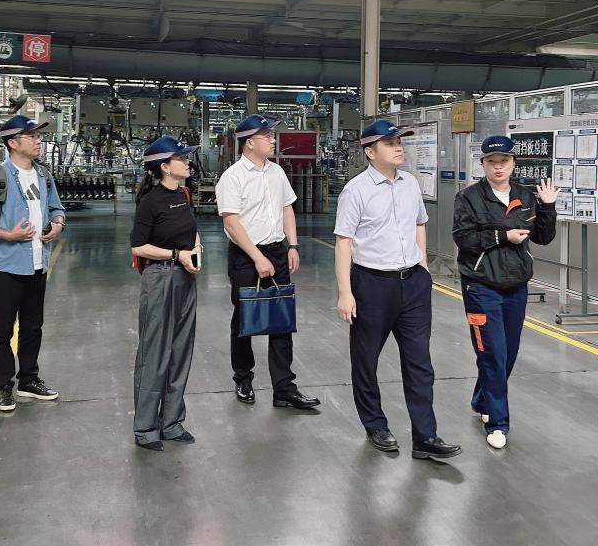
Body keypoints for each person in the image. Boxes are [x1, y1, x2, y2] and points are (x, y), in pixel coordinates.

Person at [334, 120, 461, 463]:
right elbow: (344, 242)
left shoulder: (410, 184)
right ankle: (375, 425)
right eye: (390, 143)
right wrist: (345, 292)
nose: (398, 147)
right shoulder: (356, 190)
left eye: (399, 141)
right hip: (372, 285)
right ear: (370, 152)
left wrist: (422, 265)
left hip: (413, 285)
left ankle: (425, 436)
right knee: (366, 360)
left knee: (420, 363)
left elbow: (419, 222)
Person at [452, 135, 557, 450]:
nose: (498, 167)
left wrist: (548, 206)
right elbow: (463, 238)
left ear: (513, 163)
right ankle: (498, 423)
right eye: (491, 162)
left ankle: (481, 399)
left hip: (516, 287)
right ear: (483, 164)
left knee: (507, 353)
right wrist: (502, 236)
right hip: (481, 285)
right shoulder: (468, 197)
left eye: (504, 161)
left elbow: (543, 237)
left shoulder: (525, 195)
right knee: (492, 354)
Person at [216, 114, 320, 410]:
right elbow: (231, 223)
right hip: (245, 255)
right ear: (250, 143)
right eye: (267, 136)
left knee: (281, 318)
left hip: (276, 251)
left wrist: (293, 245)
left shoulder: (277, 172)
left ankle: (284, 387)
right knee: (244, 317)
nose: (273, 140)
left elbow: (287, 209)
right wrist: (257, 257)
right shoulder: (233, 177)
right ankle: (243, 378)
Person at [0, 115, 66, 413]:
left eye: (38, 136)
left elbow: (56, 208)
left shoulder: (44, 175)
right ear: (13, 142)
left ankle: (28, 380)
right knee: (3, 329)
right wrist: (8, 234)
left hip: (37, 263)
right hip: (7, 265)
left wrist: (58, 224)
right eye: (31, 136)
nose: (38, 141)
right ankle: (3, 386)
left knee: (33, 326)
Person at [129, 136, 202, 451]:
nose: (187, 162)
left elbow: (189, 229)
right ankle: (146, 428)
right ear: (164, 167)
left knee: (180, 351)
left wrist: (196, 246)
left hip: (185, 277)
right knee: (155, 353)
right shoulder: (151, 201)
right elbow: (138, 246)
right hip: (160, 278)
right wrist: (176, 254)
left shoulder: (183, 194)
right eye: (181, 158)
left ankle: (171, 423)